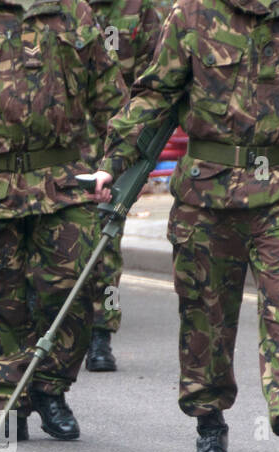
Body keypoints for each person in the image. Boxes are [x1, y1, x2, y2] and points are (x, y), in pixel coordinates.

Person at [92, 0, 279, 452]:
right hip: (206, 194)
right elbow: (155, 96)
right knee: (205, 315)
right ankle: (210, 425)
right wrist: (115, 158)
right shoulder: (192, 13)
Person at [0, 0, 125, 442]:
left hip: (64, 181)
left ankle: (51, 388)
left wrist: (115, 163)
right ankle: (6, 398)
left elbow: (111, 97)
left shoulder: (75, 13)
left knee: (72, 286)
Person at [82, 0, 162, 373]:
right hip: (58, 146)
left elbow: (158, 81)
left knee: (106, 244)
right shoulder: (61, 9)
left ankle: (101, 333)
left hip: (115, 145)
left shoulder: (138, 9)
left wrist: (141, 151)